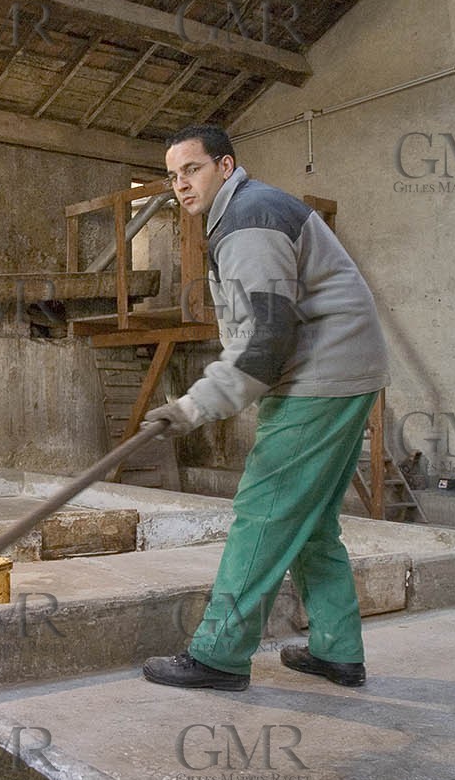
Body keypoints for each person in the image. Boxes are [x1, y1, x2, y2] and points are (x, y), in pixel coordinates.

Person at [140, 124, 390, 691]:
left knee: (264, 512)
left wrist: (192, 406)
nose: (181, 184)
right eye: (173, 176)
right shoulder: (244, 213)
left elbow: (266, 341)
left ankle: (219, 655)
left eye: (193, 169)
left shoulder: (249, 219)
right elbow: (259, 331)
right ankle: (337, 651)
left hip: (320, 377)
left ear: (225, 166)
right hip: (344, 371)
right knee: (312, 523)